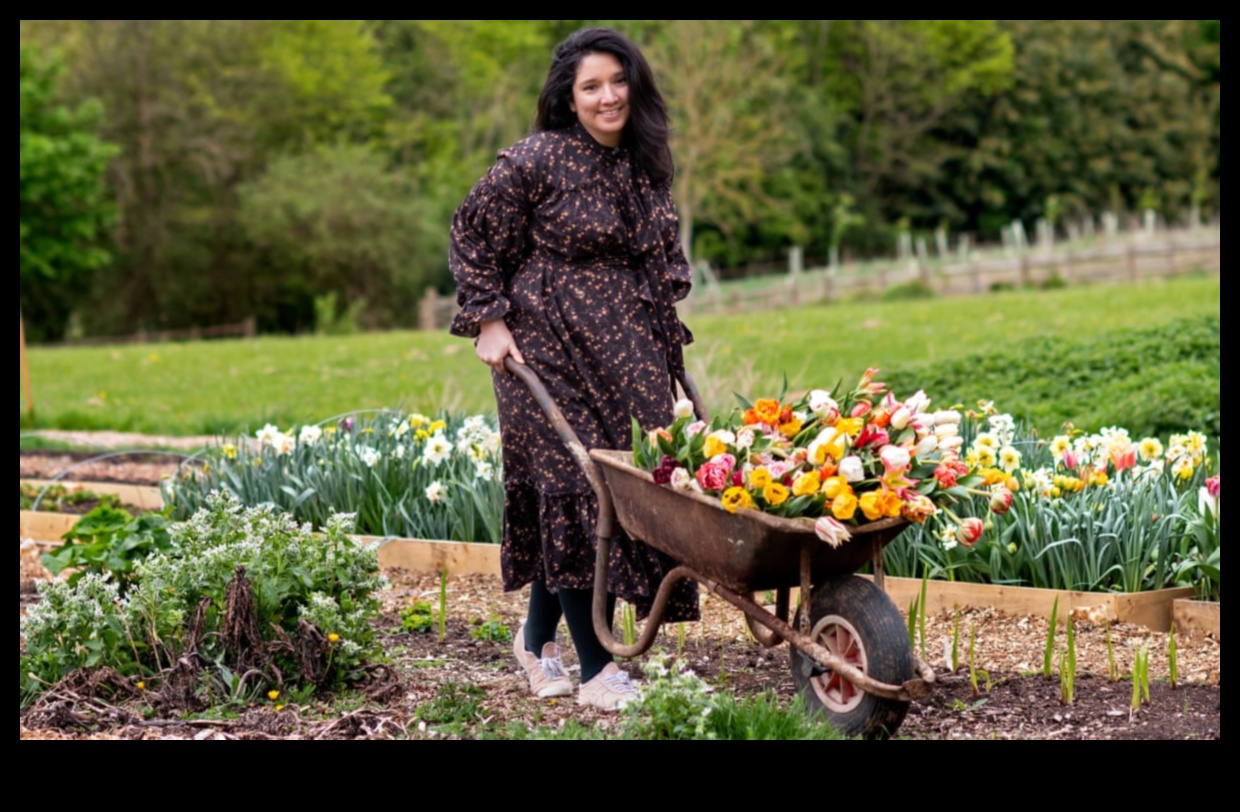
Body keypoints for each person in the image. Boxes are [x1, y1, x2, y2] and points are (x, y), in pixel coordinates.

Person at [448, 27, 699, 712]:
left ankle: (535, 642)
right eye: (591, 86)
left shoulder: (643, 162)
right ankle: (597, 669)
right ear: (569, 96)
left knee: (619, 492)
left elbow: (660, 256)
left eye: (618, 81)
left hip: (626, 349)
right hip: (544, 342)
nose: (607, 96)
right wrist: (488, 319)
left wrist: (663, 343)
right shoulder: (536, 159)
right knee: (574, 489)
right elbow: (471, 230)